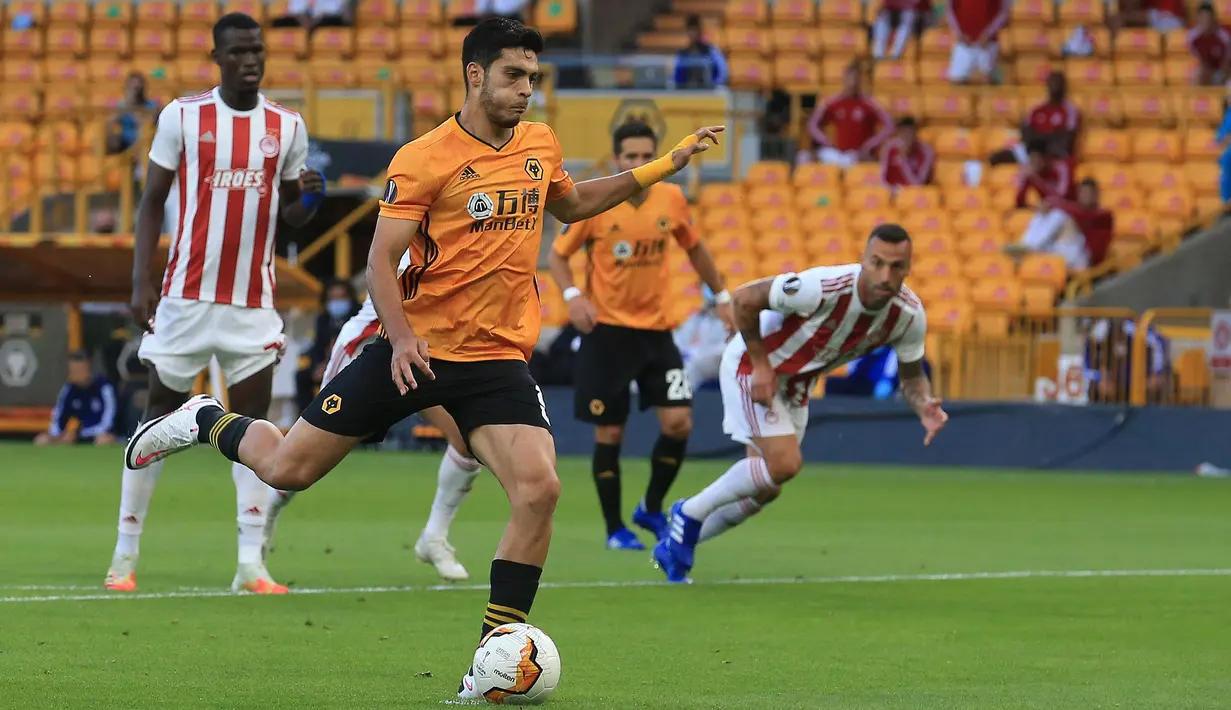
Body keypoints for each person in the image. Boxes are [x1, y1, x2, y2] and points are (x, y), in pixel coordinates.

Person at [120, 17, 720, 698]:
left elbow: (574, 203)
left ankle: (491, 662)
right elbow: (380, 258)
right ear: (475, 74)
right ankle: (203, 417)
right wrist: (402, 338)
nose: (527, 90)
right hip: (415, 349)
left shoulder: (539, 144)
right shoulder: (425, 156)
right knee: (288, 468)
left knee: (540, 489)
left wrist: (665, 163)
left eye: (533, 77)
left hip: (495, 358)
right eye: (513, 75)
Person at [107, 12, 325, 595]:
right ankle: (124, 555)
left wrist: (309, 203)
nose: (250, 60)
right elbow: (152, 200)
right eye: (238, 52)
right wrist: (138, 281)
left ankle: (250, 563)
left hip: (252, 302)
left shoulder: (287, 125)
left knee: (255, 432)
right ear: (218, 57)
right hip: (183, 295)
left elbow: (287, 219)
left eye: (257, 50)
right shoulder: (183, 116)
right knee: (156, 424)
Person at [653, 224, 948, 584]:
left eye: (897, 266)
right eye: (878, 263)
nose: (886, 275)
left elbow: (912, 375)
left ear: (909, 267)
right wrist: (762, 365)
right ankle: (688, 512)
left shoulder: (908, 315)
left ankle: (675, 544)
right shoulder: (823, 287)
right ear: (864, 260)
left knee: (767, 488)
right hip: (753, 366)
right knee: (785, 463)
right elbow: (746, 299)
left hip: (795, 386)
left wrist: (924, 406)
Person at [548, 120, 735, 550]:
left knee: (679, 422)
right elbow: (558, 257)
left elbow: (695, 248)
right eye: (629, 156)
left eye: (644, 155)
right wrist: (574, 296)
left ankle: (651, 506)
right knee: (609, 433)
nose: (637, 163)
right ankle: (615, 529)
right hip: (607, 335)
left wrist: (722, 294)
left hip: (656, 333)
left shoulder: (671, 197)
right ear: (617, 160)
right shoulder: (597, 203)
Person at [265, 251, 484, 583]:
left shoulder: (470, 231)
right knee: (302, 458)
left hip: (430, 349)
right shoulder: (417, 231)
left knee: (468, 440)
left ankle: (434, 538)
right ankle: (263, 521)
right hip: (372, 345)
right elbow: (382, 285)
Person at [802, 62, 893, 167]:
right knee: (804, 157)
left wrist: (870, 145)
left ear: (860, 81)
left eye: (856, 79)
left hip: (858, 155)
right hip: (838, 154)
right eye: (850, 78)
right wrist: (825, 141)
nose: (852, 82)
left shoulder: (869, 103)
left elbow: (890, 125)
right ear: (844, 80)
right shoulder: (834, 102)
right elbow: (812, 124)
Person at [1013, 178, 1114, 271]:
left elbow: (1084, 216)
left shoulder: (1104, 215)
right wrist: (1048, 204)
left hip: (1085, 258)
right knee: (1046, 213)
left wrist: (1051, 203)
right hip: (1066, 252)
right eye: (1083, 192)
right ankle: (1026, 246)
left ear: (1097, 195)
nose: (1086, 196)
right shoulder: (1076, 210)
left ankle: (1029, 247)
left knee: (1059, 215)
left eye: (1089, 193)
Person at [296, 278, 359, 412]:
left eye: (342, 297)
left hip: (353, 364)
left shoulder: (358, 318)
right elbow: (318, 346)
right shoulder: (323, 320)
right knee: (302, 376)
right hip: (328, 364)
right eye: (333, 298)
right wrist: (317, 366)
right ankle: (305, 417)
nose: (337, 302)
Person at [992, 72, 1081, 166]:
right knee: (996, 157)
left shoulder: (1070, 110)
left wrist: (1043, 139)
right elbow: (1025, 128)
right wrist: (1036, 142)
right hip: (1033, 150)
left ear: (1064, 87)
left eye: (1058, 83)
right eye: (1052, 83)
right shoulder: (1037, 108)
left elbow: (1068, 137)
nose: (1055, 87)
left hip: (1054, 152)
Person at [35, 351, 118, 446]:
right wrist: (56, 435)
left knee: (103, 441)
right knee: (42, 440)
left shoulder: (104, 388)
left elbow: (107, 423)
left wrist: (78, 434)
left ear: (88, 369)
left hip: (98, 435)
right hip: (74, 436)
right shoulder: (68, 389)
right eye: (72, 371)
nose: (74, 374)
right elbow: (58, 417)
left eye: (79, 370)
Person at [946, 0, 1010, 84]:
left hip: (987, 44)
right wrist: (960, 34)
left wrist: (988, 34)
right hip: (964, 43)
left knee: (987, 80)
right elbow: (950, 11)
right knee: (956, 80)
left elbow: (1003, 12)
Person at [106, 72, 158, 155]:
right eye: (133, 87)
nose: (136, 92)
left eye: (138, 88)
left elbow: (149, 124)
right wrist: (128, 104)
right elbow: (110, 122)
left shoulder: (151, 105)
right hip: (125, 147)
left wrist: (134, 110)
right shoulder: (122, 105)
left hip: (146, 146)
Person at [673, 14, 728, 89]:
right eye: (690, 30)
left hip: (708, 92)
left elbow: (722, 70)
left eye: (694, 30)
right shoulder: (683, 53)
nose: (692, 34)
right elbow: (677, 76)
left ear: (699, 31)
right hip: (687, 93)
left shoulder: (710, 51)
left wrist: (715, 85)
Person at [879, 117, 935, 188]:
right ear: (899, 134)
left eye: (910, 133)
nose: (907, 137)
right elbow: (883, 179)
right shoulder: (890, 148)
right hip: (893, 191)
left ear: (915, 134)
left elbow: (918, 184)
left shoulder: (926, 151)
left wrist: (903, 160)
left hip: (913, 194)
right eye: (904, 133)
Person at [1016, 141, 1074, 208]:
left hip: (1068, 208)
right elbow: (1019, 202)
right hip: (1046, 210)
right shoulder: (1031, 171)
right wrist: (1024, 180)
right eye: (1032, 159)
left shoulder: (1061, 168)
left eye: (1038, 158)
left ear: (1046, 157)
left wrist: (1036, 179)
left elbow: (1061, 197)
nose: (1036, 163)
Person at [1188, 3, 1231, 86]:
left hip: (1222, 71)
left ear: (1214, 18)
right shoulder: (1192, 35)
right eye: (1203, 18)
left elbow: (1227, 59)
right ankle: (1197, 98)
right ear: (1198, 19)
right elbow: (1195, 58)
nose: (1206, 21)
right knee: (1198, 74)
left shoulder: (1225, 34)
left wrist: (1223, 72)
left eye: (1208, 18)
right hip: (1205, 71)